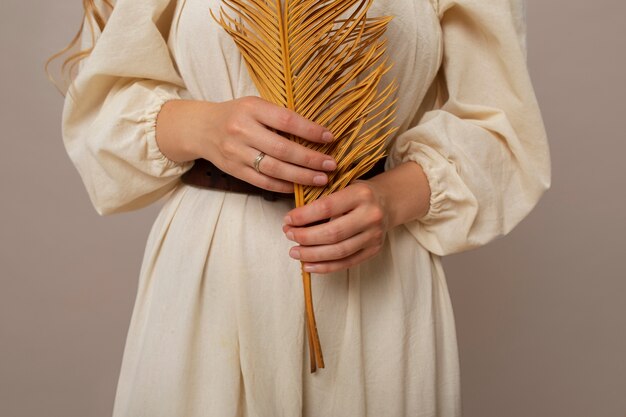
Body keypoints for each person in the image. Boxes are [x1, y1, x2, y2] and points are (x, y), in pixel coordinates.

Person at [49, 0, 551, 415]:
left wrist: (391, 198)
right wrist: (202, 127)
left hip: (376, 279)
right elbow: (100, 110)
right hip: (211, 276)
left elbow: (503, 131)